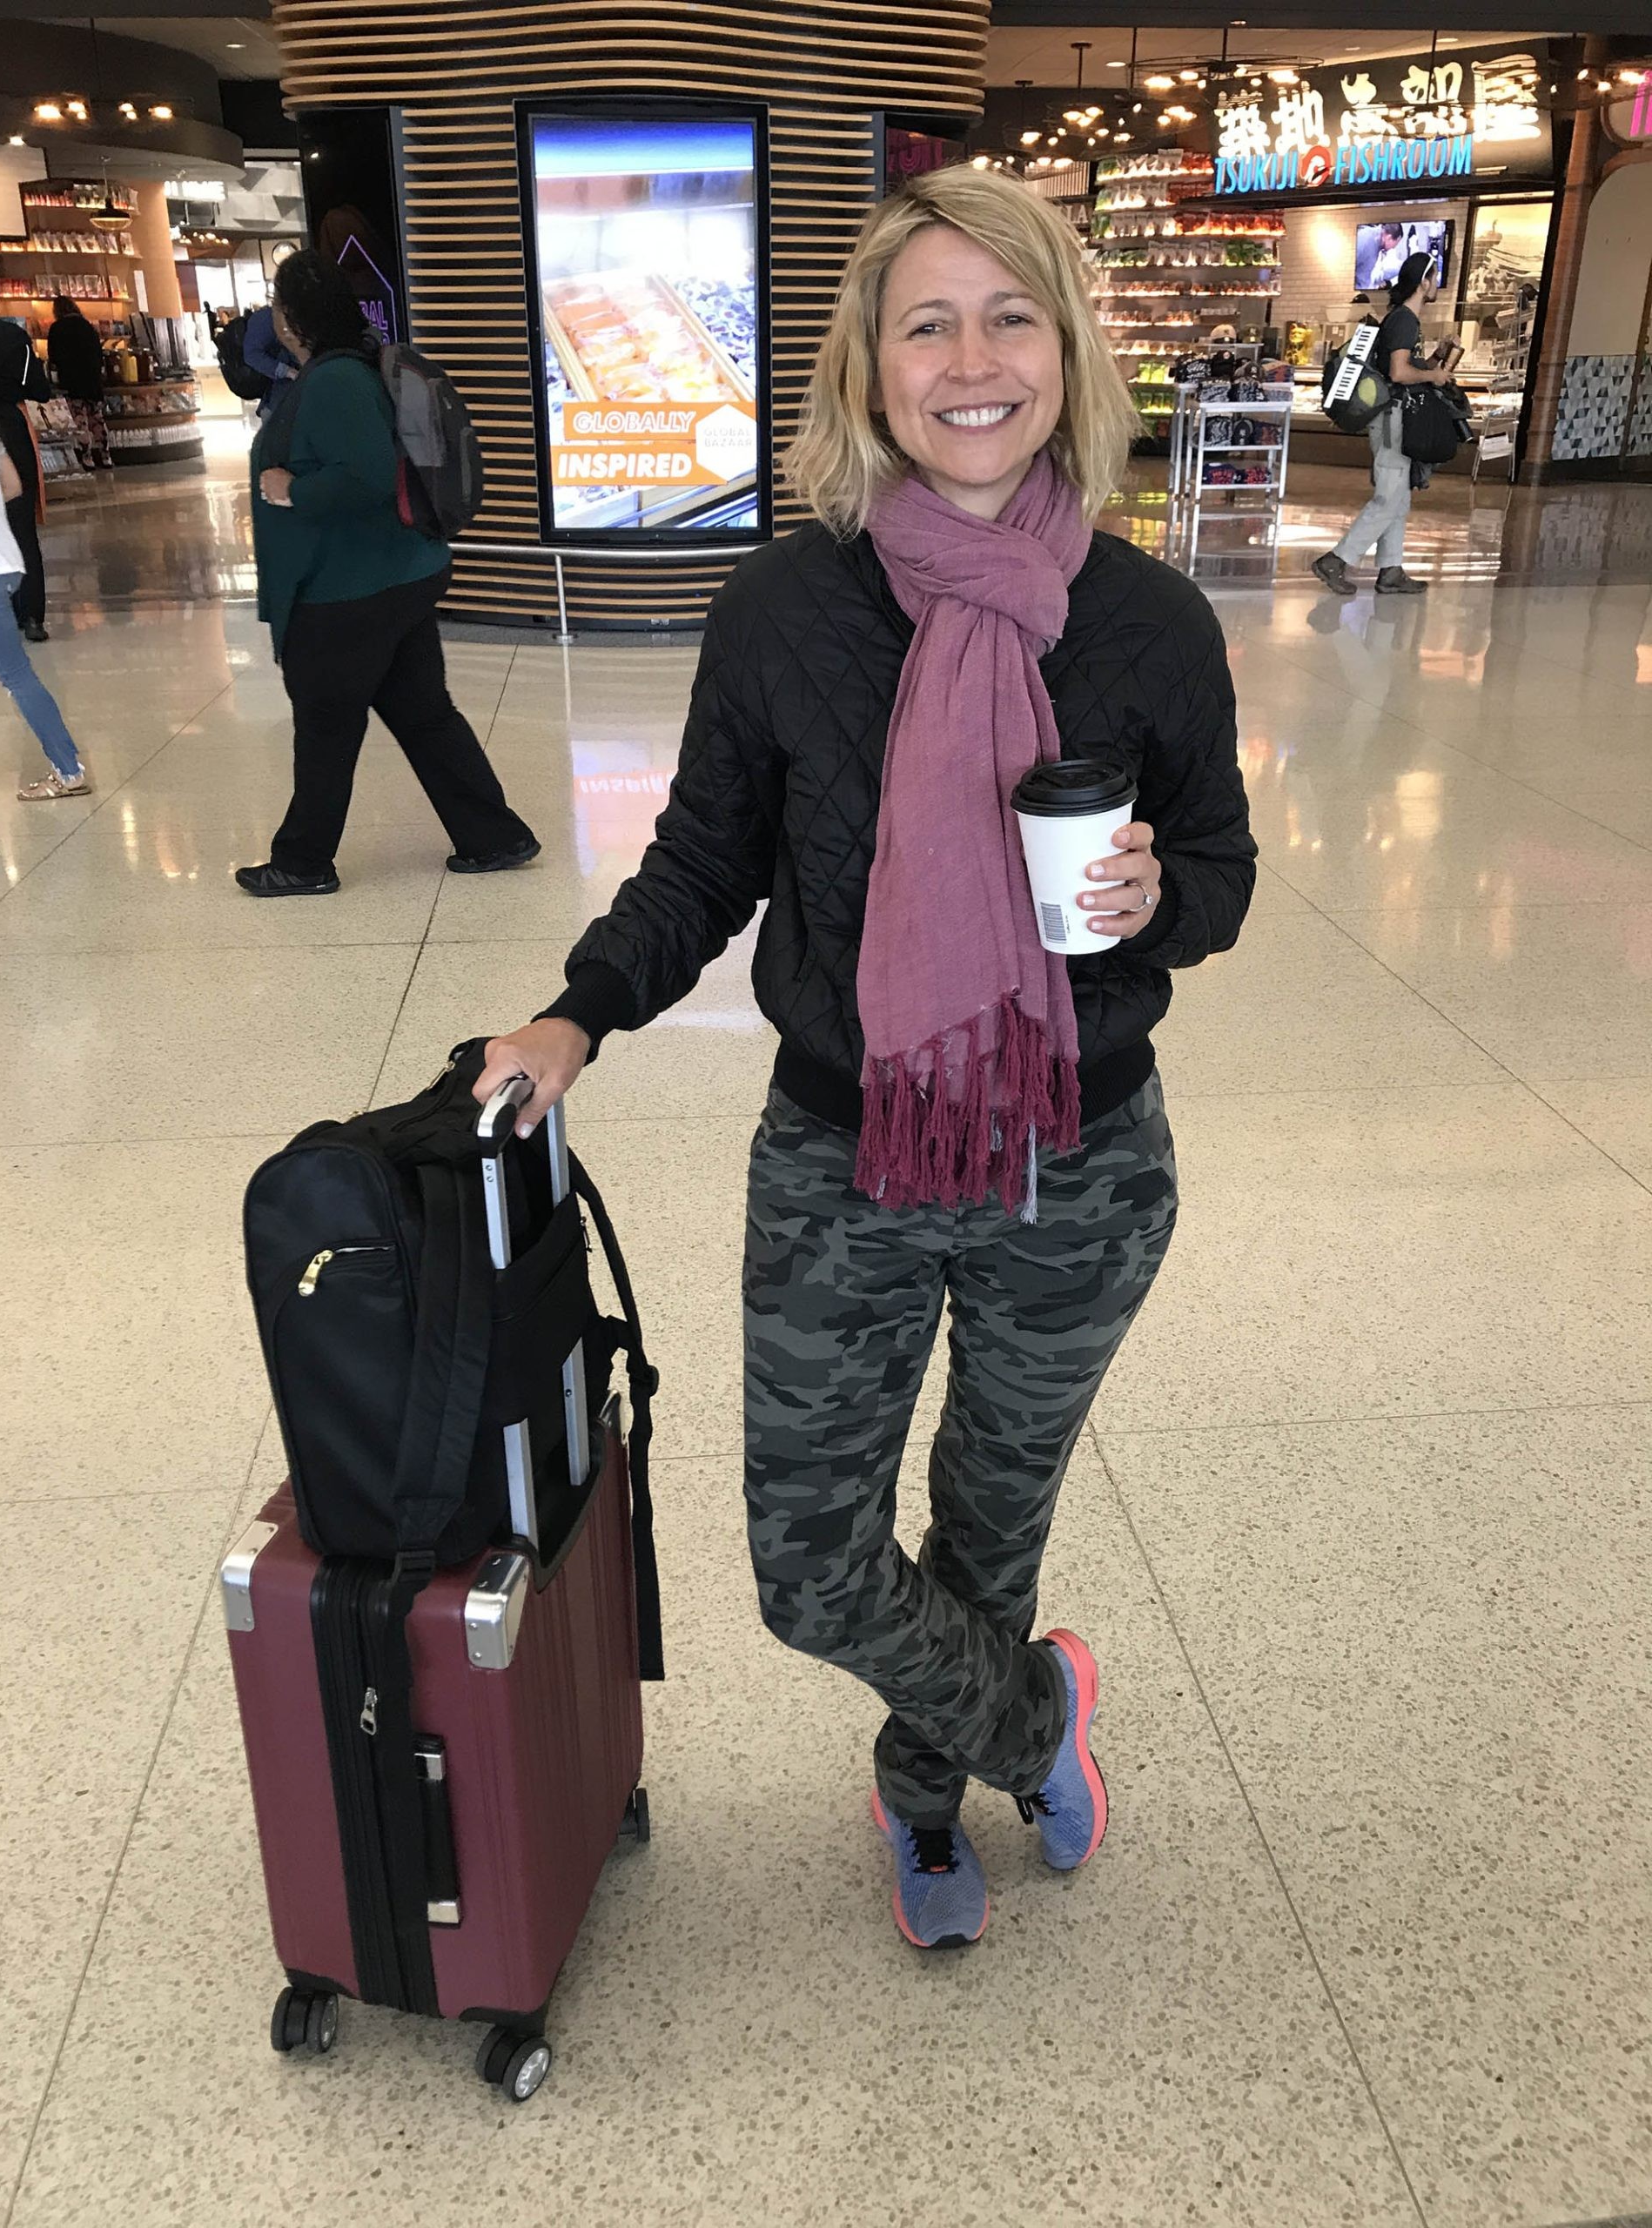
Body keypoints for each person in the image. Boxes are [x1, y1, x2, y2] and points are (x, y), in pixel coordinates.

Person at [473, 167, 1256, 1950]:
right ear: (870, 369)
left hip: (1082, 1158)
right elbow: (704, 860)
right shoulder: (785, 612)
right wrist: (579, 1009)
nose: (972, 359)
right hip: (847, 1152)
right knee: (810, 1563)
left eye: (1010, 315)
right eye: (928, 323)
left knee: (989, 1531)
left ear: (1064, 347)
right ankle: (1035, 1713)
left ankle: (924, 1804)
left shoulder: (1149, 625)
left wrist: (1155, 894)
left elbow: (1221, 871)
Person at [238, 250, 537, 896]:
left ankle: (303, 862)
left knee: (325, 729)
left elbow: (367, 476)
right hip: (394, 579)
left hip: (347, 594)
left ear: (292, 318)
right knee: (426, 716)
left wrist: (293, 490)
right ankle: (495, 836)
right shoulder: (349, 366)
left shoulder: (335, 382)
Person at [1312, 251, 1454, 599]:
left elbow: (1406, 367)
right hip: (1394, 419)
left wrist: (1436, 361)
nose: (1435, 285)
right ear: (1423, 282)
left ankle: (1391, 570)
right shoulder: (1405, 320)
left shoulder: (1401, 319)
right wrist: (1434, 374)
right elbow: (1398, 373)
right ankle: (1336, 560)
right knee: (1388, 498)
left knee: (1399, 498)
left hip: (1392, 417)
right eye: (1433, 278)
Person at [0, 411, 89, 798]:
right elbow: (11, 486)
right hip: (3, 563)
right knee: (16, 674)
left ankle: (68, 769)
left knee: (16, 676)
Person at [0, 255, 51, 641]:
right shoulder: (11, 337)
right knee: (20, 523)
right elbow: (38, 388)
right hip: (6, 428)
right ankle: (30, 616)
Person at [45, 296, 111, 473]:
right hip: (92, 379)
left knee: (80, 419)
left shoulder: (57, 328)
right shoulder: (87, 326)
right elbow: (99, 353)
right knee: (96, 417)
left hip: (72, 380)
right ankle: (106, 456)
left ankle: (87, 457)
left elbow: (53, 357)